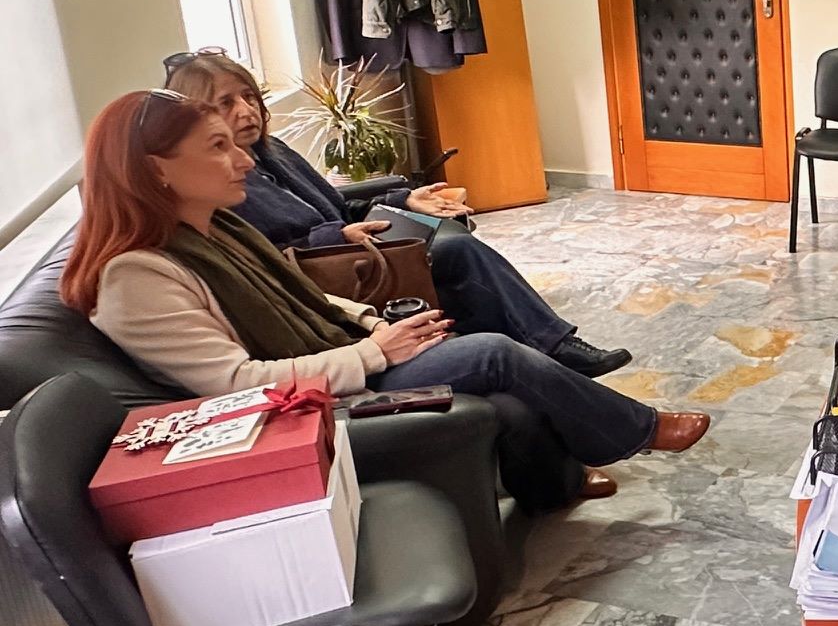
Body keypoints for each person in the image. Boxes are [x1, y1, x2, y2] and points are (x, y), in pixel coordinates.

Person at [61, 90, 710, 506]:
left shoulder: (215, 227)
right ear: (155, 169)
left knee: (488, 361)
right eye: (218, 147)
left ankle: (558, 480)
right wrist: (374, 354)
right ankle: (638, 429)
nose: (245, 161)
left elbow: (304, 297)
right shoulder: (136, 277)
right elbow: (235, 385)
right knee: (492, 354)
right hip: (298, 410)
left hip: (335, 357)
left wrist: (374, 322)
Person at [162, 50, 630, 378]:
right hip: (324, 274)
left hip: (353, 247)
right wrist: (336, 235)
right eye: (226, 104)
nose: (246, 111)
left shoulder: (273, 151)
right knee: (456, 253)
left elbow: (334, 205)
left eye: (249, 97)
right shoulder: (213, 184)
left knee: (451, 238)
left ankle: (544, 351)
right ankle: (549, 349)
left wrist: (405, 201)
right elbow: (259, 257)